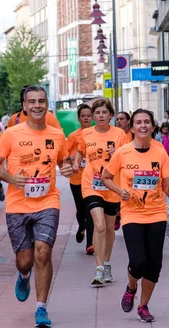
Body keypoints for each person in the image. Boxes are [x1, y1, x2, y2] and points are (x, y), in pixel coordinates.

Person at [0, 85, 73, 328]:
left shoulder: (57, 135)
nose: (37, 105)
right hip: (18, 204)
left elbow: (64, 161)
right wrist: (10, 178)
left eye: (41, 101)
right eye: (32, 102)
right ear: (24, 106)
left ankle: (41, 308)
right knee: (25, 260)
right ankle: (24, 275)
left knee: (43, 253)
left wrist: (68, 168)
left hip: (48, 202)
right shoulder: (12, 134)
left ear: (47, 104)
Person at [102, 108, 169, 322]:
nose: (143, 125)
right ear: (132, 127)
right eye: (138, 122)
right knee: (138, 262)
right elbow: (106, 176)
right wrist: (119, 191)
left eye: (147, 122)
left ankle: (143, 306)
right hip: (132, 213)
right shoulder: (122, 152)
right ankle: (131, 287)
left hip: (157, 213)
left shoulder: (160, 151)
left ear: (153, 127)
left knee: (154, 264)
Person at [73, 98, 128, 286]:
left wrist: (117, 156)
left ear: (111, 115)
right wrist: (75, 162)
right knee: (99, 225)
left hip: (112, 185)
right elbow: (80, 151)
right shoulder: (86, 133)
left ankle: (107, 263)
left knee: (110, 227)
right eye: (97, 113)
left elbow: (127, 157)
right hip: (91, 183)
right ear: (93, 116)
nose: (101, 116)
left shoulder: (120, 134)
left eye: (104, 112)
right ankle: (98, 269)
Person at [66, 104, 95, 255]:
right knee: (81, 210)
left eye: (88, 115)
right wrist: (73, 159)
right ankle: (81, 226)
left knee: (90, 211)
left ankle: (90, 243)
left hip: (92, 180)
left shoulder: (95, 134)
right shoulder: (73, 136)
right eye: (83, 116)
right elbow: (64, 153)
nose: (86, 118)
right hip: (76, 179)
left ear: (92, 117)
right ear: (79, 118)